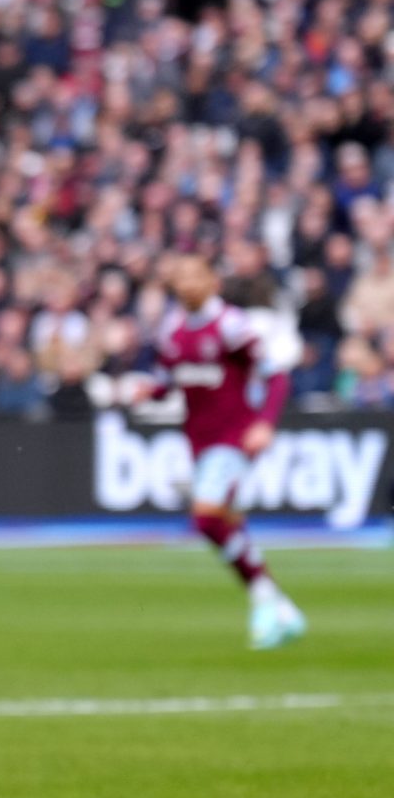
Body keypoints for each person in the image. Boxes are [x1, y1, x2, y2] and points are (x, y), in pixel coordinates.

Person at [130, 254, 307, 649]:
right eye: (180, 276)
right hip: (198, 441)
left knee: (207, 519)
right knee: (226, 524)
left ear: (214, 282)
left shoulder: (231, 326)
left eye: (196, 275)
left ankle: (264, 599)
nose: (188, 283)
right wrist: (149, 393)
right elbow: (169, 382)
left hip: (234, 437)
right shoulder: (172, 332)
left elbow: (275, 376)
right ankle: (281, 607)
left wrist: (264, 422)